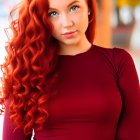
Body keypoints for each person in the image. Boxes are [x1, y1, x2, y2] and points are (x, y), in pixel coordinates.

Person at [0, 0, 140, 139]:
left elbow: (133, 134)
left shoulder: (119, 62)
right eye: (53, 13)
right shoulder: (26, 72)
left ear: (89, 8)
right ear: (41, 18)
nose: (67, 23)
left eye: (74, 8)